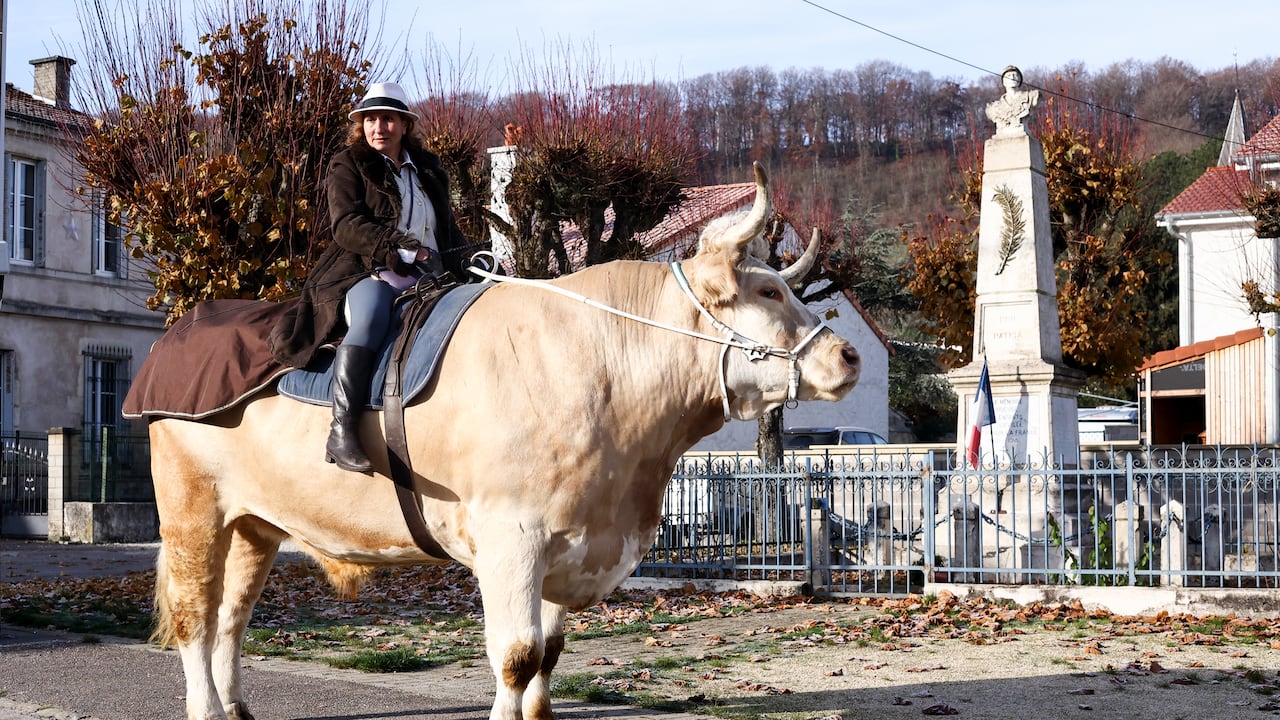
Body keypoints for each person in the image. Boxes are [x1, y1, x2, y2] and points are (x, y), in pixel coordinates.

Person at [268, 81, 472, 472]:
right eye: (371, 119)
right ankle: (341, 431)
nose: (379, 127)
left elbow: (445, 231)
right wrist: (399, 248)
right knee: (373, 314)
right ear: (361, 125)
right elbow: (345, 225)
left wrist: (473, 261)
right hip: (364, 272)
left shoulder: (430, 172)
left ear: (405, 125)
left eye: (389, 119)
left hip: (431, 278)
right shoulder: (347, 163)